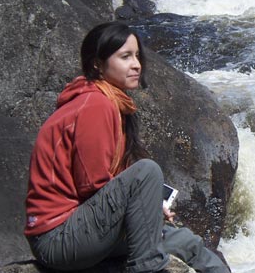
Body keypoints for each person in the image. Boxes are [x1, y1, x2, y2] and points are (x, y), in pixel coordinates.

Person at [24, 21, 230, 273]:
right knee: (147, 172)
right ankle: (147, 267)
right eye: (125, 57)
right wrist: (144, 207)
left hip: (85, 229)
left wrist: (149, 209)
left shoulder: (111, 103)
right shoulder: (94, 105)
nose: (136, 64)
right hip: (59, 236)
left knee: (190, 244)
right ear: (97, 64)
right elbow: (93, 186)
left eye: (137, 56)